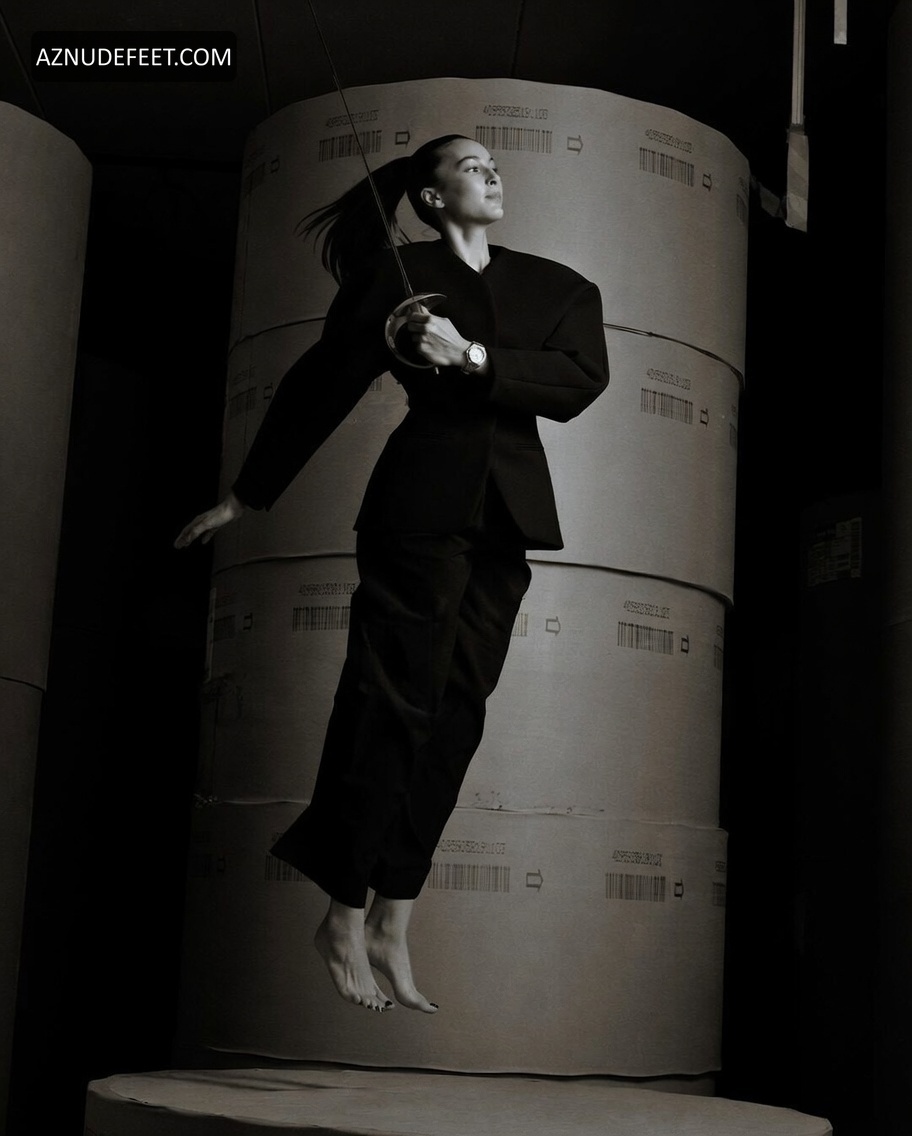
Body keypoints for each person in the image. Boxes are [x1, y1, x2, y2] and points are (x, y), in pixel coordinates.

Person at [175, 134, 609, 1016]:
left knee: (457, 712)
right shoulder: (398, 277)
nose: (492, 173)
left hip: (508, 517)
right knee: (390, 699)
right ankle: (342, 906)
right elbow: (321, 382)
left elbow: (578, 382)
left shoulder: (559, 287)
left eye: (495, 164)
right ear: (431, 197)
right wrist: (248, 495)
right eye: (471, 166)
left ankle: (392, 914)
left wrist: (471, 356)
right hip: (416, 505)